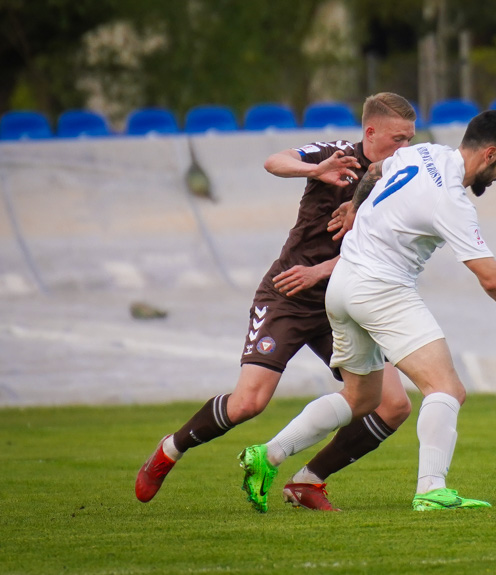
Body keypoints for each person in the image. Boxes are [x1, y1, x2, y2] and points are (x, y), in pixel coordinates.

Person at [238, 110, 496, 512]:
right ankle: (431, 489)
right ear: (490, 153)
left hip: (341, 286)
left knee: (361, 397)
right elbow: (492, 279)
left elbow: (375, 171)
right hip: (381, 288)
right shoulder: (452, 201)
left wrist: (356, 209)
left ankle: (267, 455)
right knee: (446, 389)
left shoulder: (423, 153)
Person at [136, 93, 417, 511]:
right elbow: (274, 161)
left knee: (394, 405)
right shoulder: (335, 155)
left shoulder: (403, 180)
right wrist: (315, 170)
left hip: (343, 301)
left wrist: (323, 271)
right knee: (249, 403)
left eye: (411, 139)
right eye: (398, 139)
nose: (405, 149)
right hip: (288, 294)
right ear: (370, 132)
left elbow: (383, 249)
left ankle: (308, 482)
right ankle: (169, 451)